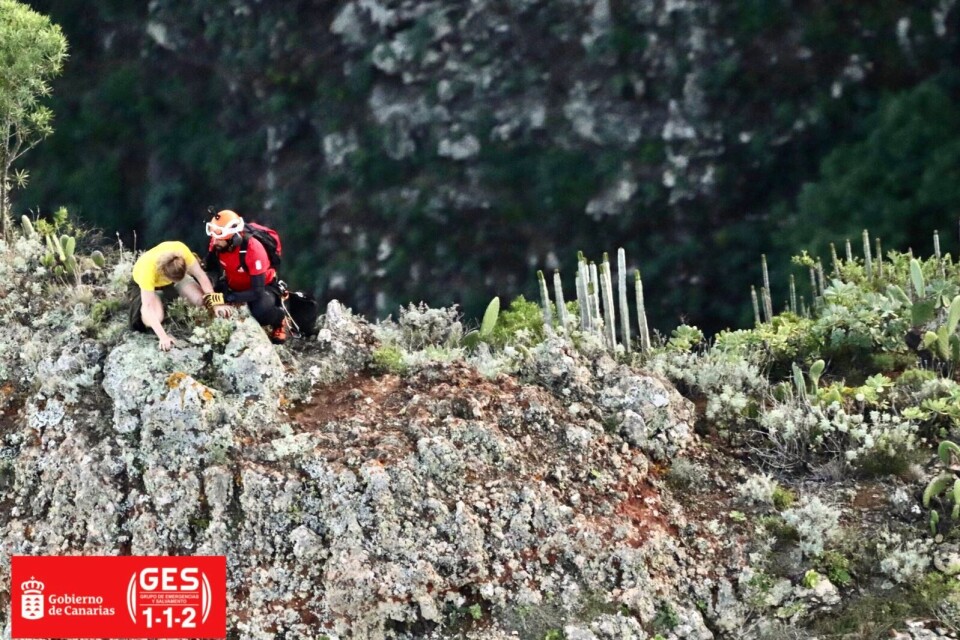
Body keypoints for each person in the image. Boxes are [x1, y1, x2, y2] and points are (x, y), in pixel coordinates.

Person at [204, 209, 289, 344]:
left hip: (261, 288)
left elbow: (257, 291)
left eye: (219, 239)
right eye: (214, 238)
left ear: (234, 238)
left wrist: (226, 298)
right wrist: (211, 286)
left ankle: (279, 320)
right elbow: (211, 267)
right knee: (205, 298)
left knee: (261, 313)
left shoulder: (253, 250)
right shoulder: (217, 243)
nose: (215, 242)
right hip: (233, 284)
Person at [129, 240, 230, 351]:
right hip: (146, 286)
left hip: (173, 279)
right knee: (156, 317)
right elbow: (147, 306)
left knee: (200, 301)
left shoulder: (181, 250)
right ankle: (159, 297)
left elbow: (201, 276)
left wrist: (216, 304)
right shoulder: (147, 269)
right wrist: (163, 337)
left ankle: (170, 293)